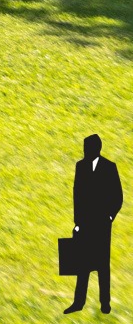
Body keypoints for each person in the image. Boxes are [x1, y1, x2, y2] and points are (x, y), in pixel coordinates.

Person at [70, 134, 124, 314]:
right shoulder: (81, 166)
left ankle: (105, 304)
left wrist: (109, 217)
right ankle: (79, 302)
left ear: (96, 149)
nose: (85, 151)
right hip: (85, 224)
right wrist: (77, 222)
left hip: (101, 225)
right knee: (82, 265)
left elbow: (117, 196)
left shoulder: (109, 168)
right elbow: (77, 196)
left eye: (88, 148)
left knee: (102, 265)